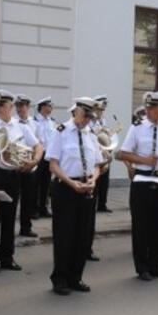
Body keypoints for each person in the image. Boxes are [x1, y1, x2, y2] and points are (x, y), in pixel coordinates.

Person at [117, 91, 158, 280]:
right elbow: (122, 154)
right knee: (141, 226)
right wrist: (143, 159)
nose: (148, 111)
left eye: (152, 108)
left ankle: (157, 266)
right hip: (142, 179)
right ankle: (142, 267)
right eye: (147, 107)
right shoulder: (137, 128)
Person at [0, 89, 41, 273]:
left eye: (2, 105)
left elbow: (38, 145)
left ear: (11, 107)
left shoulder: (20, 126)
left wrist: (34, 161)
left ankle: (7, 257)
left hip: (14, 174)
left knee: (9, 217)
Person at [46, 97, 103, 295]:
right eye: (85, 115)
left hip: (86, 187)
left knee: (82, 236)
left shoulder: (91, 134)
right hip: (65, 187)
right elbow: (53, 164)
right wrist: (71, 183)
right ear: (75, 112)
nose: (87, 119)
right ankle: (60, 278)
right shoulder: (60, 132)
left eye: (90, 116)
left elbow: (97, 164)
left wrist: (94, 180)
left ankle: (75, 277)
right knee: (64, 236)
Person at [15, 94, 40, 237]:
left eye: (23, 106)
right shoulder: (13, 122)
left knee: (28, 198)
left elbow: (39, 143)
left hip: (30, 164)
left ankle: (26, 227)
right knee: (13, 198)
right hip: (16, 164)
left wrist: (34, 160)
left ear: (28, 107)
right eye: (18, 106)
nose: (21, 109)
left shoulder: (35, 124)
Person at [33, 97, 56, 218]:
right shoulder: (34, 121)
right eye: (49, 105)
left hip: (48, 155)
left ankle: (44, 207)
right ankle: (34, 209)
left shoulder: (52, 121)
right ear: (42, 106)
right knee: (35, 184)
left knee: (46, 183)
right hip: (37, 155)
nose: (51, 108)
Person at [92, 95, 115, 213]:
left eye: (103, 110)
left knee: (104, 180)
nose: (101, 112)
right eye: (100, 109)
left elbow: (107, 137)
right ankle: (93, 203)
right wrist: (99, 131)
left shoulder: (103, 120)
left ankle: (102, 204)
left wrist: (108, 134)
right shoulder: (91, 120)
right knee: (95, 179)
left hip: (104, 152)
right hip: (96, 152)